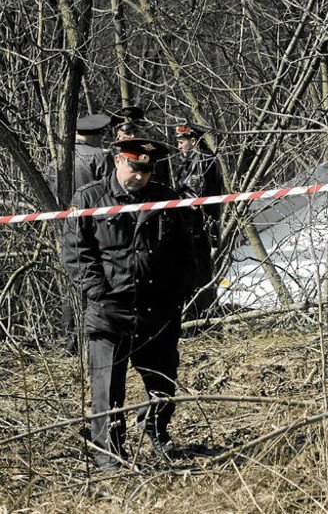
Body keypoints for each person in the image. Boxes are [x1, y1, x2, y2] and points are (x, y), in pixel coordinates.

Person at [61, 138, 196, 471]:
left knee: (163, 384)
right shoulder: (89, 198)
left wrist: (176, 295)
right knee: (107, 389)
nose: (140, 176)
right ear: (118, 160)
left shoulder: (167, 199)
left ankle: (157, 435)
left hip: (157, 309)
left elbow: (186, 253)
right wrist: (100, 295)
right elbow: (76, 253)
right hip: (110, 312)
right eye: (135, 168)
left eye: (147, 170)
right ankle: (108, 455)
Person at [63, 114, 115, 355]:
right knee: (97, 276)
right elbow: (109, 193)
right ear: (97, 135)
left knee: (73, 278)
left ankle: (71, 341)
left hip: (65, 225)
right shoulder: (99, 157)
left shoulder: (59, 158)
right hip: (97, 227)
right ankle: (94, 337)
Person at [173, 122, 223, 318]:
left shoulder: (202, 159)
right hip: (194, 225)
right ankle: (198, 313)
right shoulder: (194, 159)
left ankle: (202, 316)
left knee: (198, 273)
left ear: (193, 141)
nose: (179, 146)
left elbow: (195, 197)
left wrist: (174, 204)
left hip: (197, 226)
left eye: (181, 142)